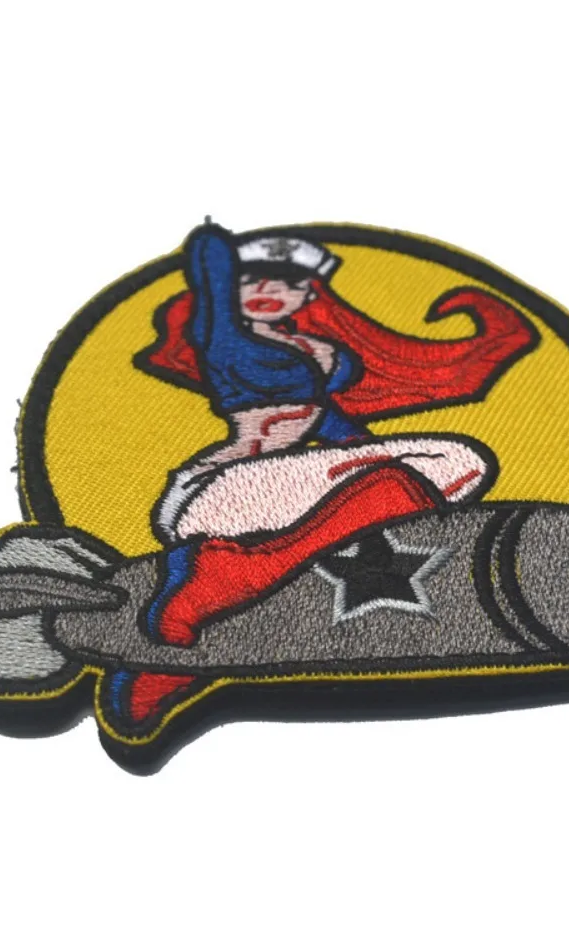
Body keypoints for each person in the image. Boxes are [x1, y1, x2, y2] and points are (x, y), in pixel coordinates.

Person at [135, 223, 538, 645]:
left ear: (309, 295)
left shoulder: (308, 350)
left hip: (280, 493)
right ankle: (236, 575)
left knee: (456, 465)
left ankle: (238, 573)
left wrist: (370, 452)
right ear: (227, 289)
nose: (269, 289)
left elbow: (332, 427)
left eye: (290, 283)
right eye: (251, 280)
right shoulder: (224, 338)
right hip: (218, 491)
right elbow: (212, 288)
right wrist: (213, 244)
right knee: (445, 465)